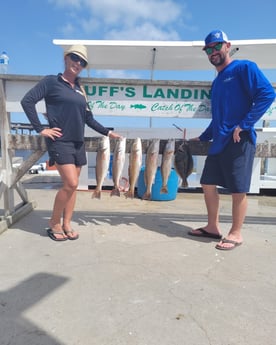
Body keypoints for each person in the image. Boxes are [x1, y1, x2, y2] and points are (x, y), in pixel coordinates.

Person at [21, 44, 121, 241]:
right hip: (60, 141)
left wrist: (108, 133)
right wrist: (40, 128)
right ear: (66, 58)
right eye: (75, 58)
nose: (78, 63)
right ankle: (54, 222)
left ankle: (67, 223)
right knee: (71, 183)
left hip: (78, 143)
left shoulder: (80, 89)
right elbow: (27, 101)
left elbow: (88, 119)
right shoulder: (51, 81)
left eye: (82, 62)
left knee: (73, 187)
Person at [188, 30, 275, 250]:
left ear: (228, 46)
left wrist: (244, 124)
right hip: (218, 142)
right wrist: (204, 136)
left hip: (239, 141)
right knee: (207, 183)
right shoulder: (216, 82)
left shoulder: (245, 67)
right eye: (208, 49)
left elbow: (267, 94)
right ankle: (212, 227)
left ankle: (236, 233)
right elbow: (219, 116)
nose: (212, 52)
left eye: (216, 46)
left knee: (238, 189)